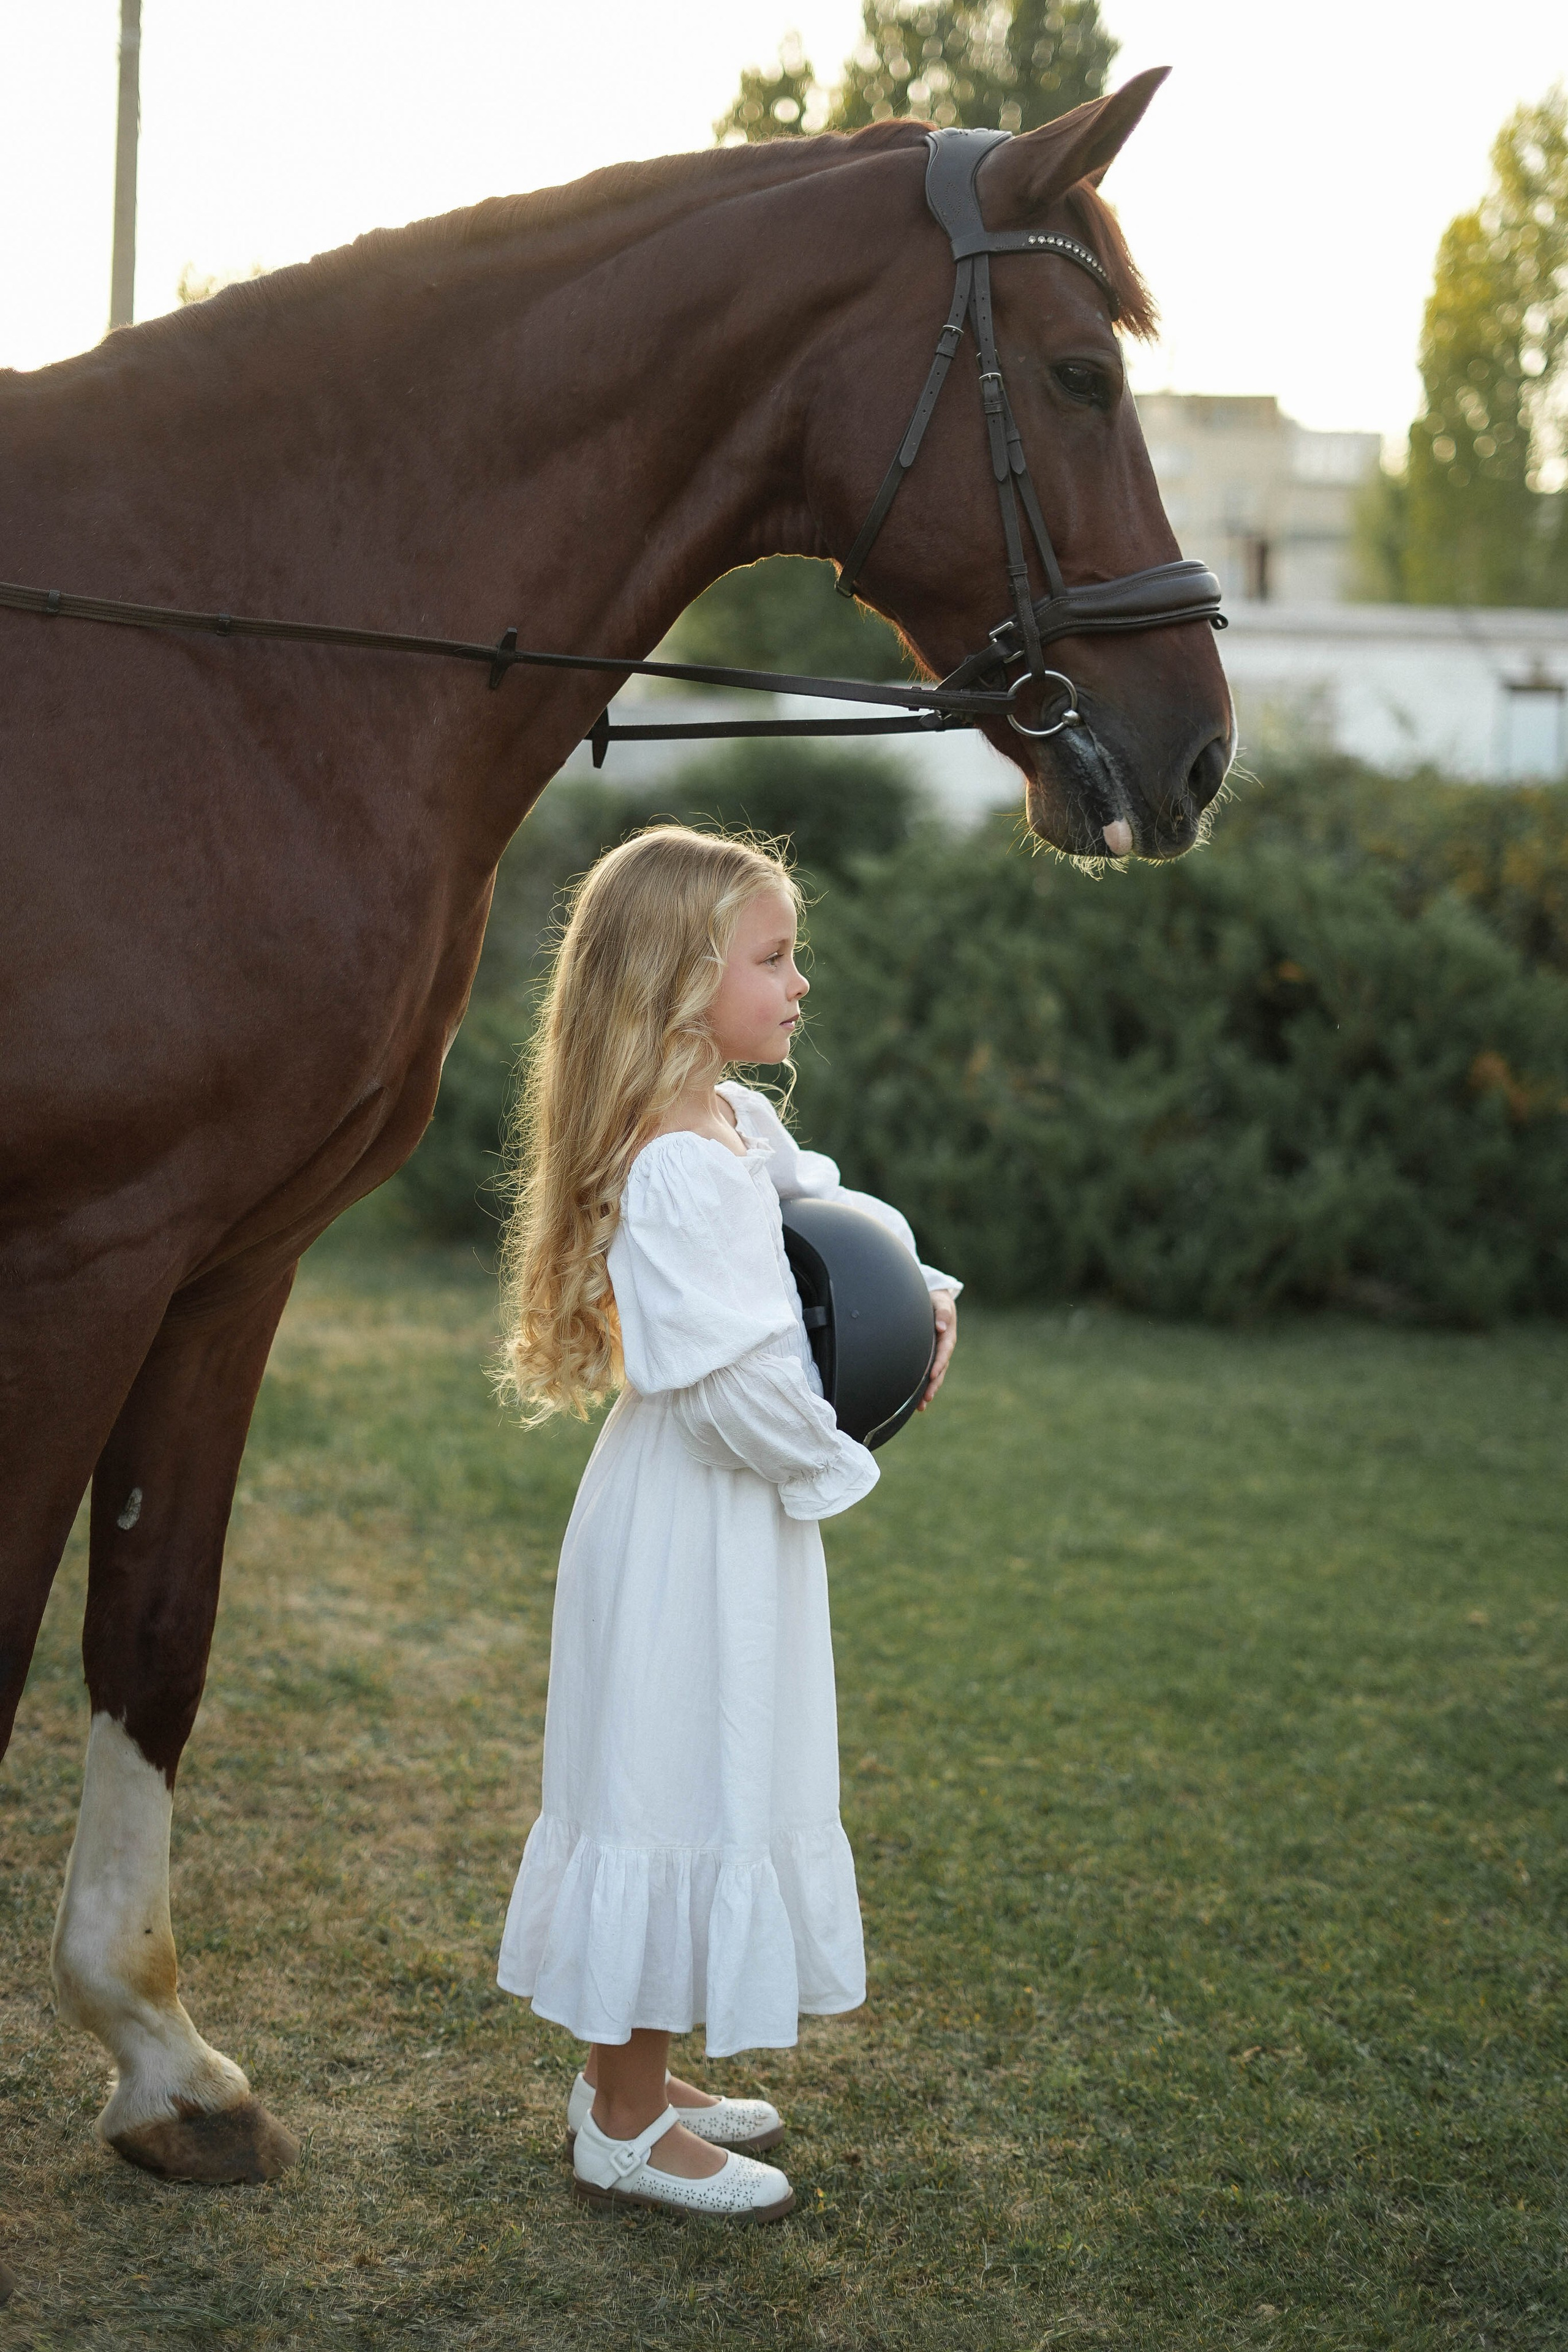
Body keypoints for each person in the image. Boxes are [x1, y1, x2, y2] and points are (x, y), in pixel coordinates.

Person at [494, 826, 960, 2222]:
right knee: (661, 1781)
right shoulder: (679, 1161)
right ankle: (622, 2129)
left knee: (695, 1771)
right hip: (693, 1514)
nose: (798, 982)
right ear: (679, 979)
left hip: (719, 1514)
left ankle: (628, 2076)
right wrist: (840, 1462)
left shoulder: (728, 1124)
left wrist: (920, 1301)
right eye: (772, 957)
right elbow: (740, 1382)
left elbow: (825, 1224)